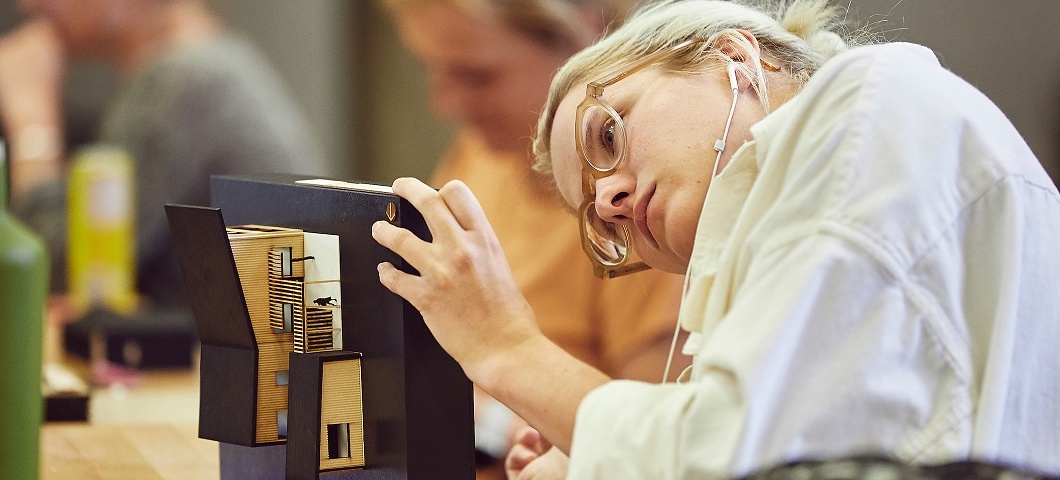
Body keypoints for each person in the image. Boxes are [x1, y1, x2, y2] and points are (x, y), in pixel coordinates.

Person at [371, 0, 1060, 478]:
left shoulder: (868, 109)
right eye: (600, 223)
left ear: (732, 56)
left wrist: (506, 348)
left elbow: (733, 458)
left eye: (607, 134)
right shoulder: (778, 226)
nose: (610, 201)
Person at [379, 0, 688, 474]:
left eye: (478, 75)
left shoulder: (642, 212)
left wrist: (495, 423)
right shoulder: (481, 156)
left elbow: (655, 442)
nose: (445, 105)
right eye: (434, 70)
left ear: (585, 37)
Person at [0, 0, 326, 309]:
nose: (29, 5)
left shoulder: (184, 80)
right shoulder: (205, 64)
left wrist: (30, 117)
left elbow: (58, 269)